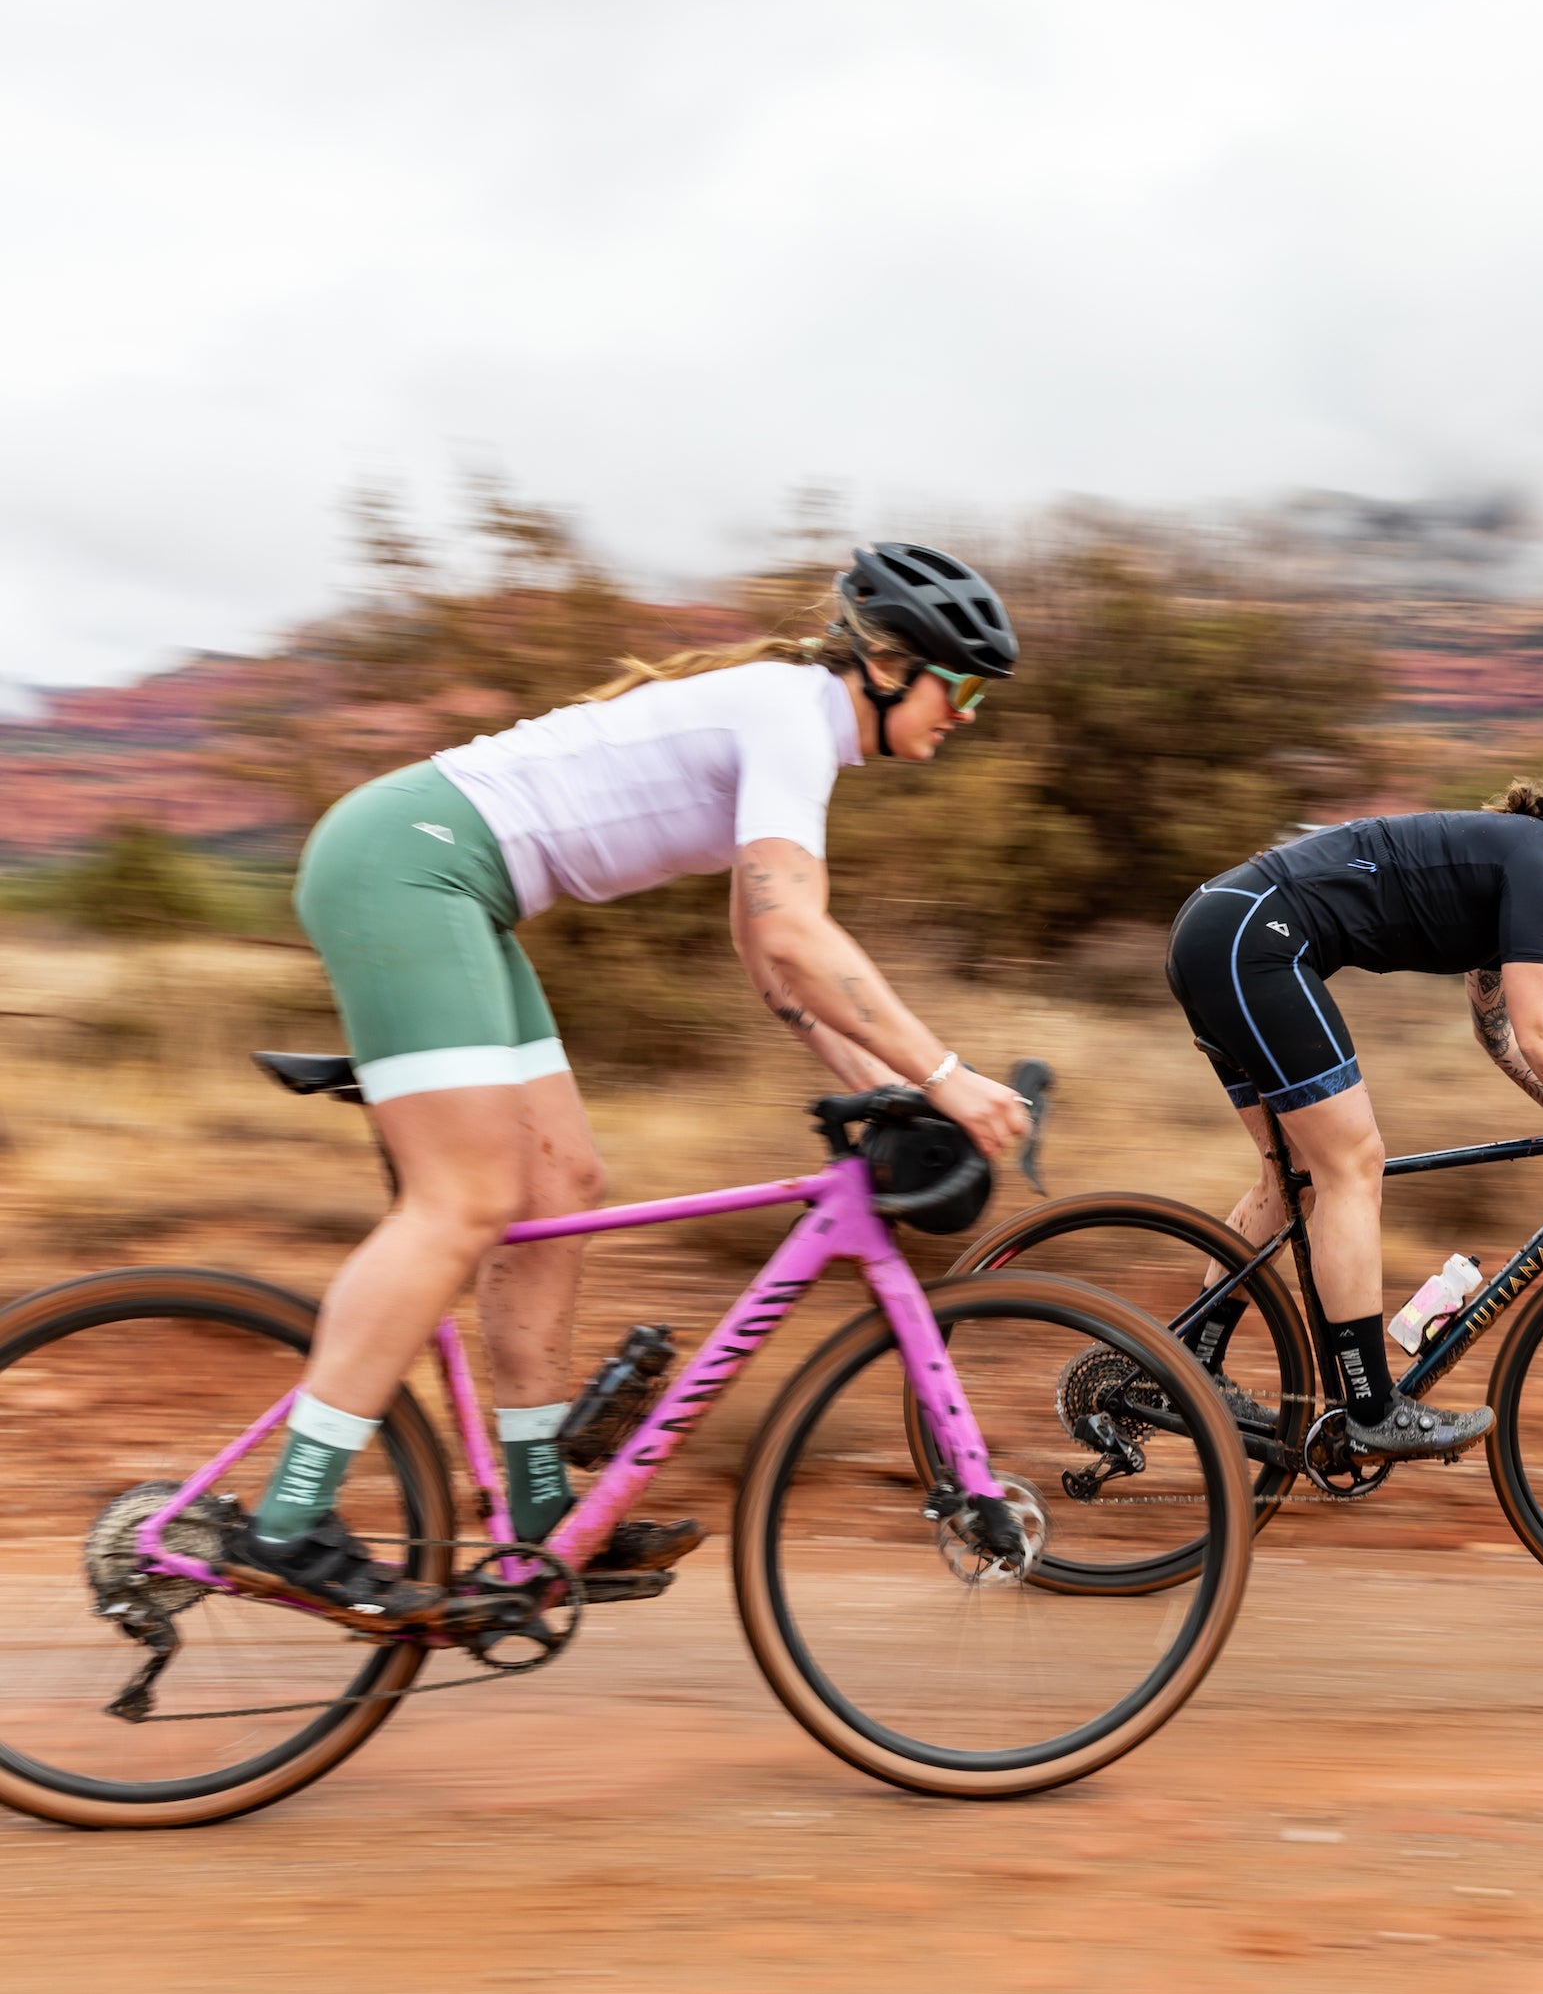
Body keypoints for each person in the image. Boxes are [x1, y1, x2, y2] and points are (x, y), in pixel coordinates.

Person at [224, 544, 1033, 1626]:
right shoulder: (794, 715)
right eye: (963, 687)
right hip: (409, 866)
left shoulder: (793, 727)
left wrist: (890, 1086)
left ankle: (540, 1515)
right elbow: (796, 931)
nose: (967, 714)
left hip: (451, 885)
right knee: (459, 1202)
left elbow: (767, 956)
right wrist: (945, 1074)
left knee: (563, 1180)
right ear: (888, 665)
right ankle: (290, 1515)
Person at [1164, 722, 1543, 1462]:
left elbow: (1499, 1037)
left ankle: (1185, 1364)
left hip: (1221, 931)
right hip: (1254, 943)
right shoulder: (1537, 863)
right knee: (1353, 1165)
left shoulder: (1518, 859)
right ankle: (1370, 1408)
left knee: (1292, 1181)